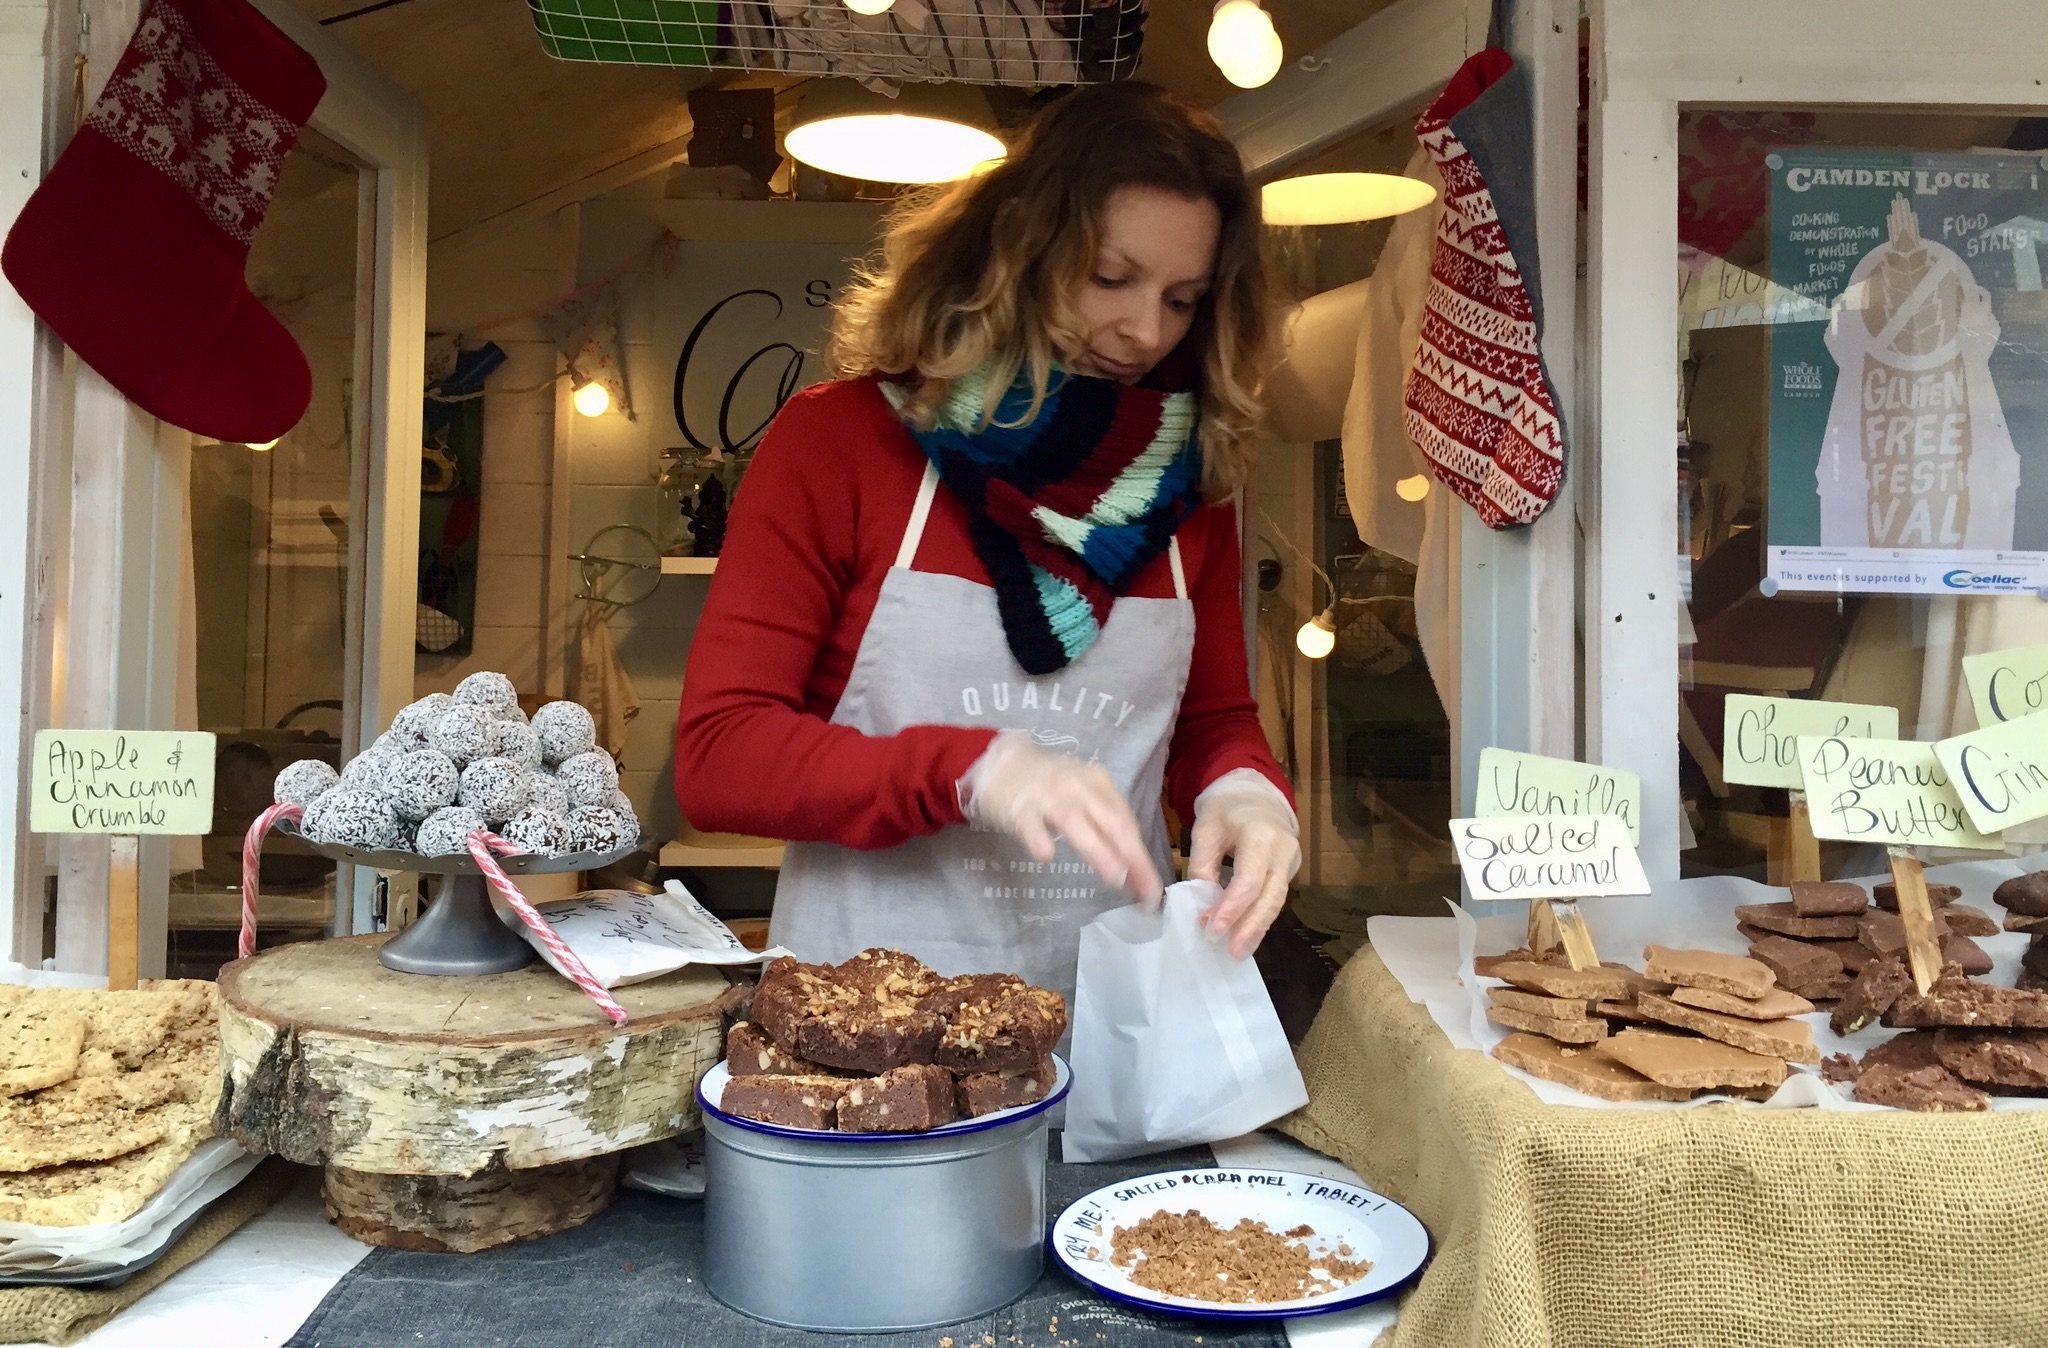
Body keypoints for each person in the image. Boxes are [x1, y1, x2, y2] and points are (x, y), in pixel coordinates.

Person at [673, 81, 1298, 1011]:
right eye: (1110, 277)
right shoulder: (842, 441)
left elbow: (1210, 722)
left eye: (1182, 299)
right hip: (866, 1026)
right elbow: (720, 758)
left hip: (1114, 1024)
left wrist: (1247, 791)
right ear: (1014, 249)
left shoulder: (1188, 478)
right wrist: (969, 770)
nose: (1146, 331)